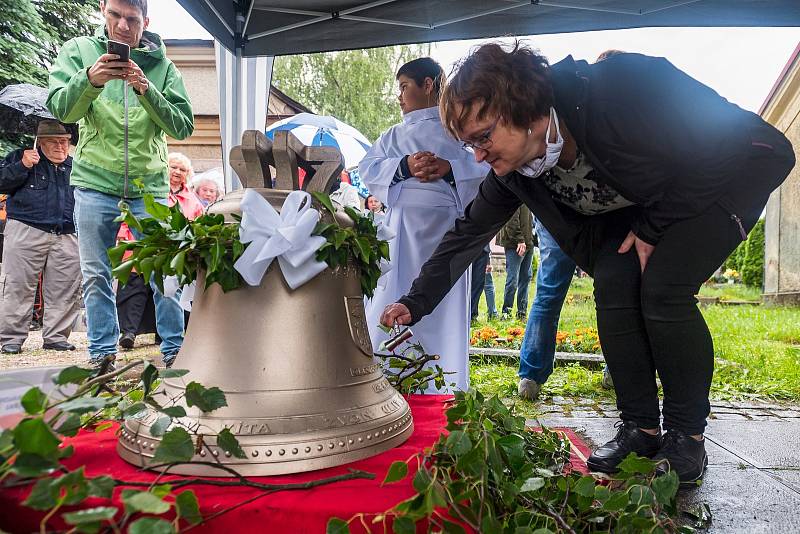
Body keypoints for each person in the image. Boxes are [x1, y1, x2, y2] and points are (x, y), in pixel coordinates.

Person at [380, 42, 795, 485]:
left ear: (524, 106)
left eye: (483, 137)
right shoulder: (515, 170)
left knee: (664, 288)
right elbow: (467, 232)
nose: (478, 156)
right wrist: (415, 301)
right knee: (614, 282)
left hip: (729, 171)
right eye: (470, 144)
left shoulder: (623, 87)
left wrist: (655, 226)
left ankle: (687, 437)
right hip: (649, 202)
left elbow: (727, 141)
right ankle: (640, 428)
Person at [47, 0, 194, 370]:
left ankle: (176, 351)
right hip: (95, 182)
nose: (123, 27)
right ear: (103, 11)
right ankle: (101, 356)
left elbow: (182, 126)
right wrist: (90, 80)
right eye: (115, 16)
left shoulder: (164, 66)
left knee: (165, 271)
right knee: (96, 274)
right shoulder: (78, 52)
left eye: (132, 19)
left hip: (150, 186)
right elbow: (62, 110)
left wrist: (147, 90)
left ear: (146, 21)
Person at [359, 57, 489, 393]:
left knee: (440, 300)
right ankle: (387, 378)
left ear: (429, 84)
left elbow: (484, 168)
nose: (399, 96)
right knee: (394, 294)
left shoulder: (457, 132)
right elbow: (367, 169)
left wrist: (449, 168)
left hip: (445, 229)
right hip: (400, 226)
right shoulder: (393, 136)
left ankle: (440, 383)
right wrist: (403, 166)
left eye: (405, 87)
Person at [518, 51, 625, 401]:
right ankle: (534, 372)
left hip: (592, 214)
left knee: (608, 288)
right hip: (562, 215)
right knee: (566, 288)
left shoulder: (603, 112)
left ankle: (535, 374)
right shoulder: (574, 108)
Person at [0, 120, 82, 354]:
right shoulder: (20, 157)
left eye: (65, 142)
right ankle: (11, 338)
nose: (61, 147)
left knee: (65, 287)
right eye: (54, 142)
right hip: (26, 229)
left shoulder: (75, 167)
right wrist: (23, 165)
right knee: (17, 285)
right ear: (41, 142)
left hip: (67, 233)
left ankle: (56, 337)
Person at [498, 205, 534, 319]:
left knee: (526, 278)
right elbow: (511, 219)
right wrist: (519, 239)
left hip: (528, 243)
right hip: (515, 244)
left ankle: (521, 313)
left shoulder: (529, 195)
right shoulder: (516, 191)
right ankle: (506, 313)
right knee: (513, 279)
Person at [167, 153, 204, 219]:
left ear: (187, 173)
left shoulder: (192, 199)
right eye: (174, 167)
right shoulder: (157, 190)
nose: (178, 172)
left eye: (182, 170)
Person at [469, 245, 497, 322]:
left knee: (478, 285)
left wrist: (488, 261)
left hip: (482, 251)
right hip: (465, 249)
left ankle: (472, 316)